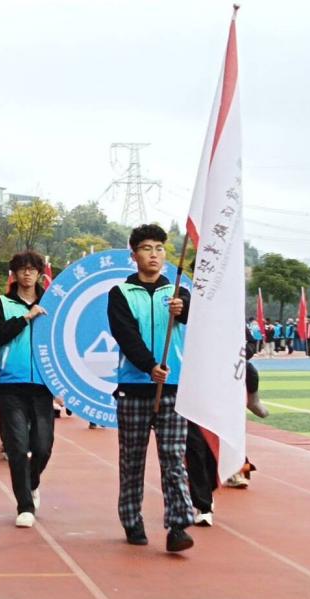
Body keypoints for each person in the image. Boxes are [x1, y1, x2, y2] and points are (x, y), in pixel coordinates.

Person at [107, 224, 194, 553]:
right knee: (132, 460)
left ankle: (178, 524)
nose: (154, 254)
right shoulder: (120, 293)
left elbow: (194, 320)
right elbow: (125, 335)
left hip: (172, 388)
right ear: (134, 255)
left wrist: (183, 310)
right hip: (134, 388)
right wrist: (148, 366)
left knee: (173, 458)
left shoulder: (178, 292)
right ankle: (131, 519)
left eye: (159, 248)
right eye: (146, 248)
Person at [0, 250, 54, 529]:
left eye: (32, 269)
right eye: (22, 269)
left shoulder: (52, 303)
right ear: (14, 274)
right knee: (16, 446)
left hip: (42, 385)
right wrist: (26, 318)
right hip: (10, 385)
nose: (27, 273)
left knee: (43, 447)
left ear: (39, 273)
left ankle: (32, 481)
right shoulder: (0, 304)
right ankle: (25, 505)